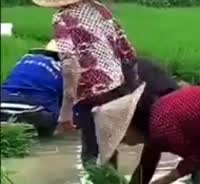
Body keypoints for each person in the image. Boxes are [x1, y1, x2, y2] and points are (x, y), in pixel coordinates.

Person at [33, 0, 140, 168]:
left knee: (90, 152)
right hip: (116, 87)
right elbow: (128, 53)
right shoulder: (101, 10)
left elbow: (69, 65)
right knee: (109, 148)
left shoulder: (62, 18)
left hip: (90, 94)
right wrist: (132, 90)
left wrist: (66, 111)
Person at [1, 40, 179, 140]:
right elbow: (73, 100)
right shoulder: (70, 71)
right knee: (64, 126)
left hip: (3, 103)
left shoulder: (24, 61)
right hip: (35, 112)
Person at [1, 41, 62, 137]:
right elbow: (70, 98)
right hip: (35, 112)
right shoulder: (65, 68)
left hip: (3, 105)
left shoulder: (23, 60)